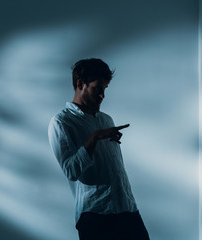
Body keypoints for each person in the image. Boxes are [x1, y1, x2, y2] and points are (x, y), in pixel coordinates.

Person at [48, 58, 150, 240]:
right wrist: (94, 138)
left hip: (127, 209)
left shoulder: (106, 120)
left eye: (105, 89)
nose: (103, 95)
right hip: (96, 217)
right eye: (98, 89)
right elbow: (71, 171)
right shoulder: (61, 122)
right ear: (80, 84)